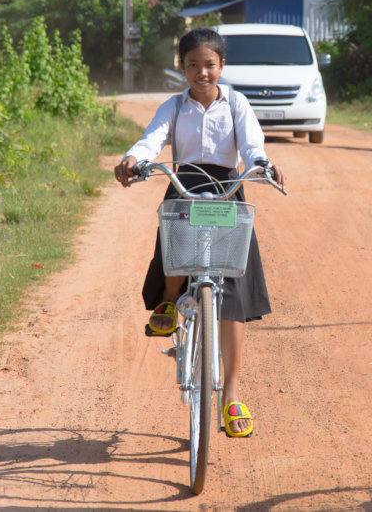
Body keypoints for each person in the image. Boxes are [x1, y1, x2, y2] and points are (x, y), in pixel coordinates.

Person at [114, 26, 285, 440]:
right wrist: (134, 158)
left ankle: (232, 395)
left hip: (226, 191)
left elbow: (252, 145)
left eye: (209, 64)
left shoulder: (237, 103)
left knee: (233, 293)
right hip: (185, 186)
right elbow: (152, 138)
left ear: (222, 65)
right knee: (175, 234)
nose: (201, 73)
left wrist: (262, 163)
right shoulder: (174, 106)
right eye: (193, 65)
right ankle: (169, 300)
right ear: (182, 68)